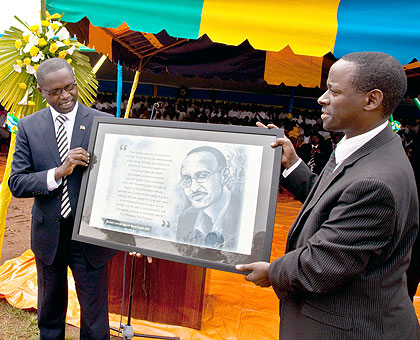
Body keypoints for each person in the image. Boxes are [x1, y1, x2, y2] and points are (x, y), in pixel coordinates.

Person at [236, 52, 419, 339]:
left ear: (371, 100)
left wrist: (272, 272)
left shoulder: (376, 182)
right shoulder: (360, 146)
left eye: (333, 91)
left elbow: (321, 264)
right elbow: (330, 203)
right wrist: (293, 164)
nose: (322, 98)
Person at [9, 58, 117, 340]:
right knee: (50, 312)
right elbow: (17, 182)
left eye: (70, 87)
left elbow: (118, 180)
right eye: (56, 91)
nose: (65, 96)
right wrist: (58, 172)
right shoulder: (29, 127)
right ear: (42, 91)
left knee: (95, 316)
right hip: (49, 236)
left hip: (90, 239)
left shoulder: (103, 123)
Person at [176, 146, 242, 251]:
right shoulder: (187, 217)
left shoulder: (244, 213)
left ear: (224, 176)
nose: (194, 188)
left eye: (202, 175)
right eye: (187, 179)